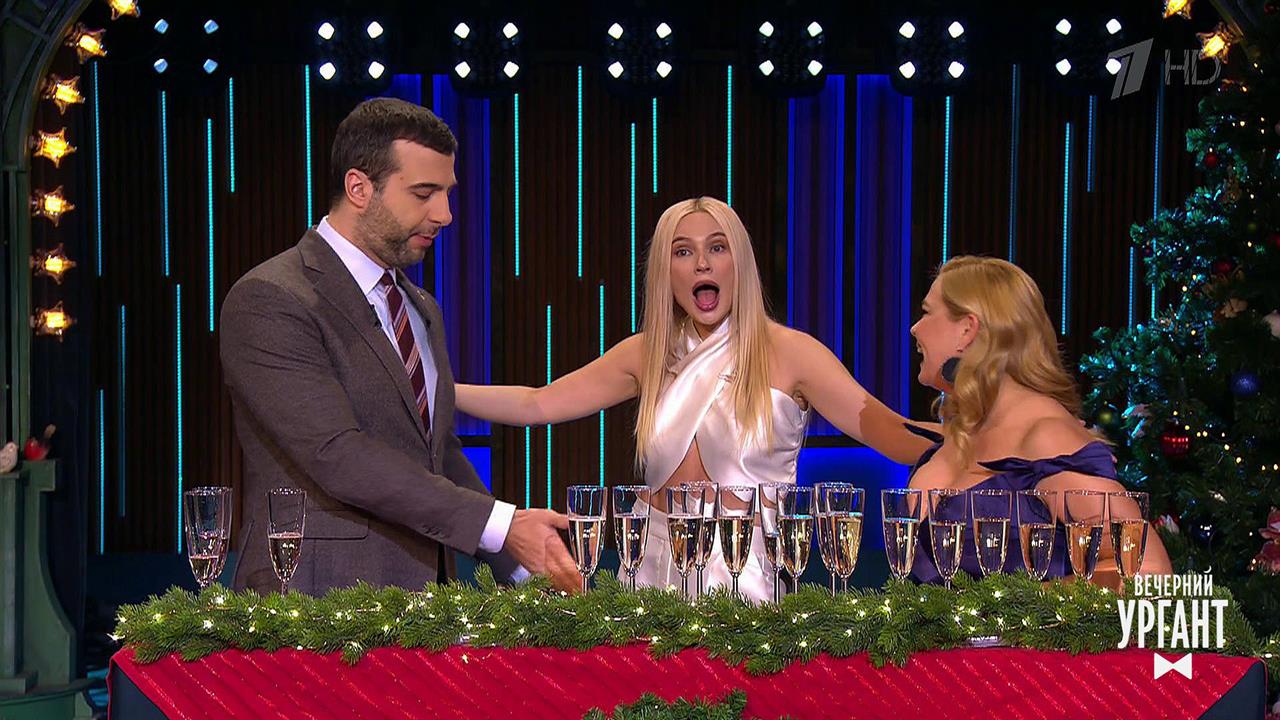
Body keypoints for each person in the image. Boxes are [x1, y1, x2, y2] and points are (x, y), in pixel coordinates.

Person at [457, 197, 934, 602]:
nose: (702, 264)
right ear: (667, 272)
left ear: (738, 263)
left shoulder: (792, 352)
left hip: (745, 569)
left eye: (717, 248)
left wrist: (976, 436)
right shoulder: (647, 353)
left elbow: (890, 431)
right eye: (683, 251)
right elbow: (537, 404)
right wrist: (437, 390)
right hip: (650, 564)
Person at [220, 98, 579, 596]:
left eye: (447, 193)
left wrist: (517, 556)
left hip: (425, 606)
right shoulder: (272, 297)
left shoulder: (420, 306)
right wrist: (498, 524)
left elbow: (437, 455)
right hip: (315, 599)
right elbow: (337, 454)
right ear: (359, 188)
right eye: (424, 193)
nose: (445, 214)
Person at [907, 255, 1172, 587]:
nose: (915, 328)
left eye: (927, 312)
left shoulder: (1046, 436)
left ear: (966, 329)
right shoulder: (964, 434)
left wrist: (1010, 607)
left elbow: (1147, 570)